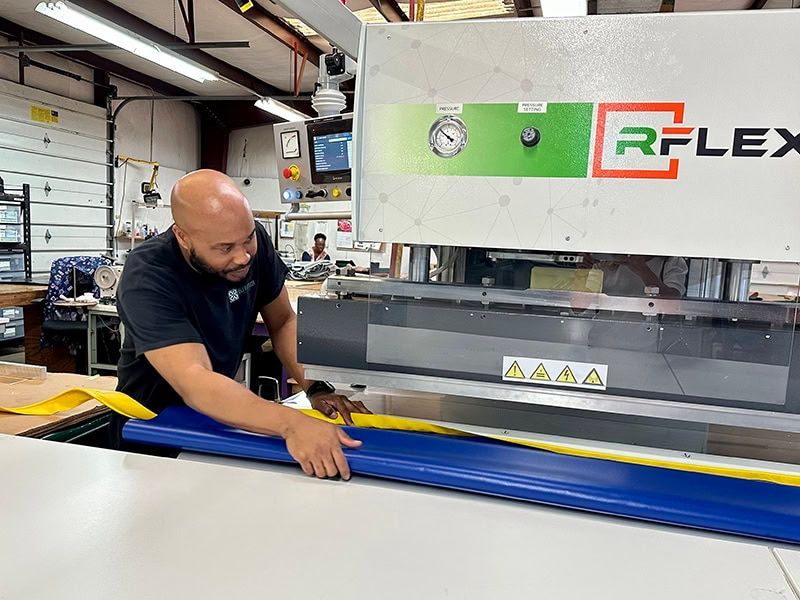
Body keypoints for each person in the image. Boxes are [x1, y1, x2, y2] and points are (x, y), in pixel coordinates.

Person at [115, 169, 370, 479]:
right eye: (225, 248)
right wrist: (291, 423)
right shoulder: (148, 274)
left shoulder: (253, 244)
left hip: (220, 419)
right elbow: (195, 380)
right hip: (153, 429)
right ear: (183, 237)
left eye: (247, 239)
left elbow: (283, 321)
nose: (242, 257)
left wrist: (315, 389)